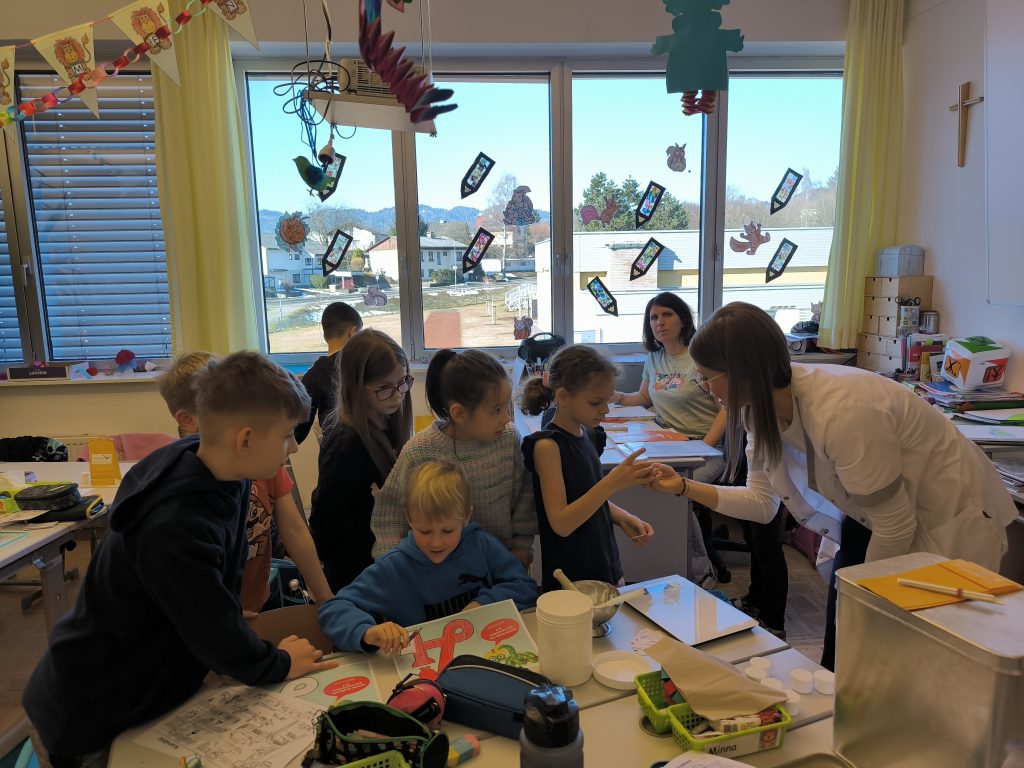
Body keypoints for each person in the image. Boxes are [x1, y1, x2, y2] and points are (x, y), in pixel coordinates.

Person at [648, 302, 1017, 670]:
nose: (707, 389)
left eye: (707, 378)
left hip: (949, 517)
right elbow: (762, 503)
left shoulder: (842, 411)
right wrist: (682, 486)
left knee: (921, 653)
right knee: (844, 638)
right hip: (875, 515)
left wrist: (867, 605)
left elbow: (896, 525)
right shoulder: (757, 410)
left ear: (741, 373)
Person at [23, 352, 337, 766]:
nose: (293, 447)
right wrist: (279, 664)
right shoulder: (174, 522)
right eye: (286, 435)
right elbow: (214, 633)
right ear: (244, 440)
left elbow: (208, 592)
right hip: (92, 712)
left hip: (146, 685)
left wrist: (221, 609)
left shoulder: (227, 472)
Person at [156, 351, 333, 614]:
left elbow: (295, 531)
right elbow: (191, 604)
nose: (294, 447)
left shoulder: (256, 466)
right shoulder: (181, 507)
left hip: (253, 601)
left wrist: (327, 600)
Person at [319, 460, 537, 653]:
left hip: (488, 651)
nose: (436, 542)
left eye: (447, 531)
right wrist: (367, 632)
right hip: (426, 669)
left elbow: (523, 586)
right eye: (424, 531)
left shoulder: (481, 545)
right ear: (409, 519)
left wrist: (483, 604)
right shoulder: (394, 567)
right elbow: (333, 609)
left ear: (466, 517)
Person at [370, 349, 536, 569]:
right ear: (459, 414)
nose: (506, 418)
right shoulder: (420, 451)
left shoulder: (509, 439)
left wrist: (523, 544)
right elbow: (389, 518)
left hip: (499, 567)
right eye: (497, 410)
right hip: (436, 573)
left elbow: (524, 495)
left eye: (507, 407)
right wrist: (396, 569)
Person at [520, 345, 656, 592]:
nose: (605, 410)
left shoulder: (590, 434)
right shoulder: (547, 446)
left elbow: (586, 494)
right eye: (596, 402)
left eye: (608, 400)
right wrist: (612, 482)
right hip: (570, 576)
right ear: (563, 397)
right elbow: (561, 523)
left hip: (602, 560)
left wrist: (622, 517)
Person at [611, 292, 726, 584]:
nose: (659, 322)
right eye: (653, 317)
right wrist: (612, 396)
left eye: (667, 315)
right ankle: (652, 564)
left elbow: (727, 409)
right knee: (639, 484)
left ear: (683, 319)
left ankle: (699, 571)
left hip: (704, 447)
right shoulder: (654, 358)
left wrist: (704, 447)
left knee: (676, 494)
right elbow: (643, 398)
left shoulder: (700, 358)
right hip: (664, 443)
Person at [310, 329, 414, 591]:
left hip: (384, 560)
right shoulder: (346, 444)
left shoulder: (388, 420)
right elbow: (324, 524)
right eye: (384, 388)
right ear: (356, 386)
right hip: (357, 575)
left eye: (402, 382)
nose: (397, 395)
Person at [295, 301, 364, 444]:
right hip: (370, 445)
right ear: (353, 332)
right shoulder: (365, 364)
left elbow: (299, 430)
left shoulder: (314, 374)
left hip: (333, 448)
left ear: (325, 336)